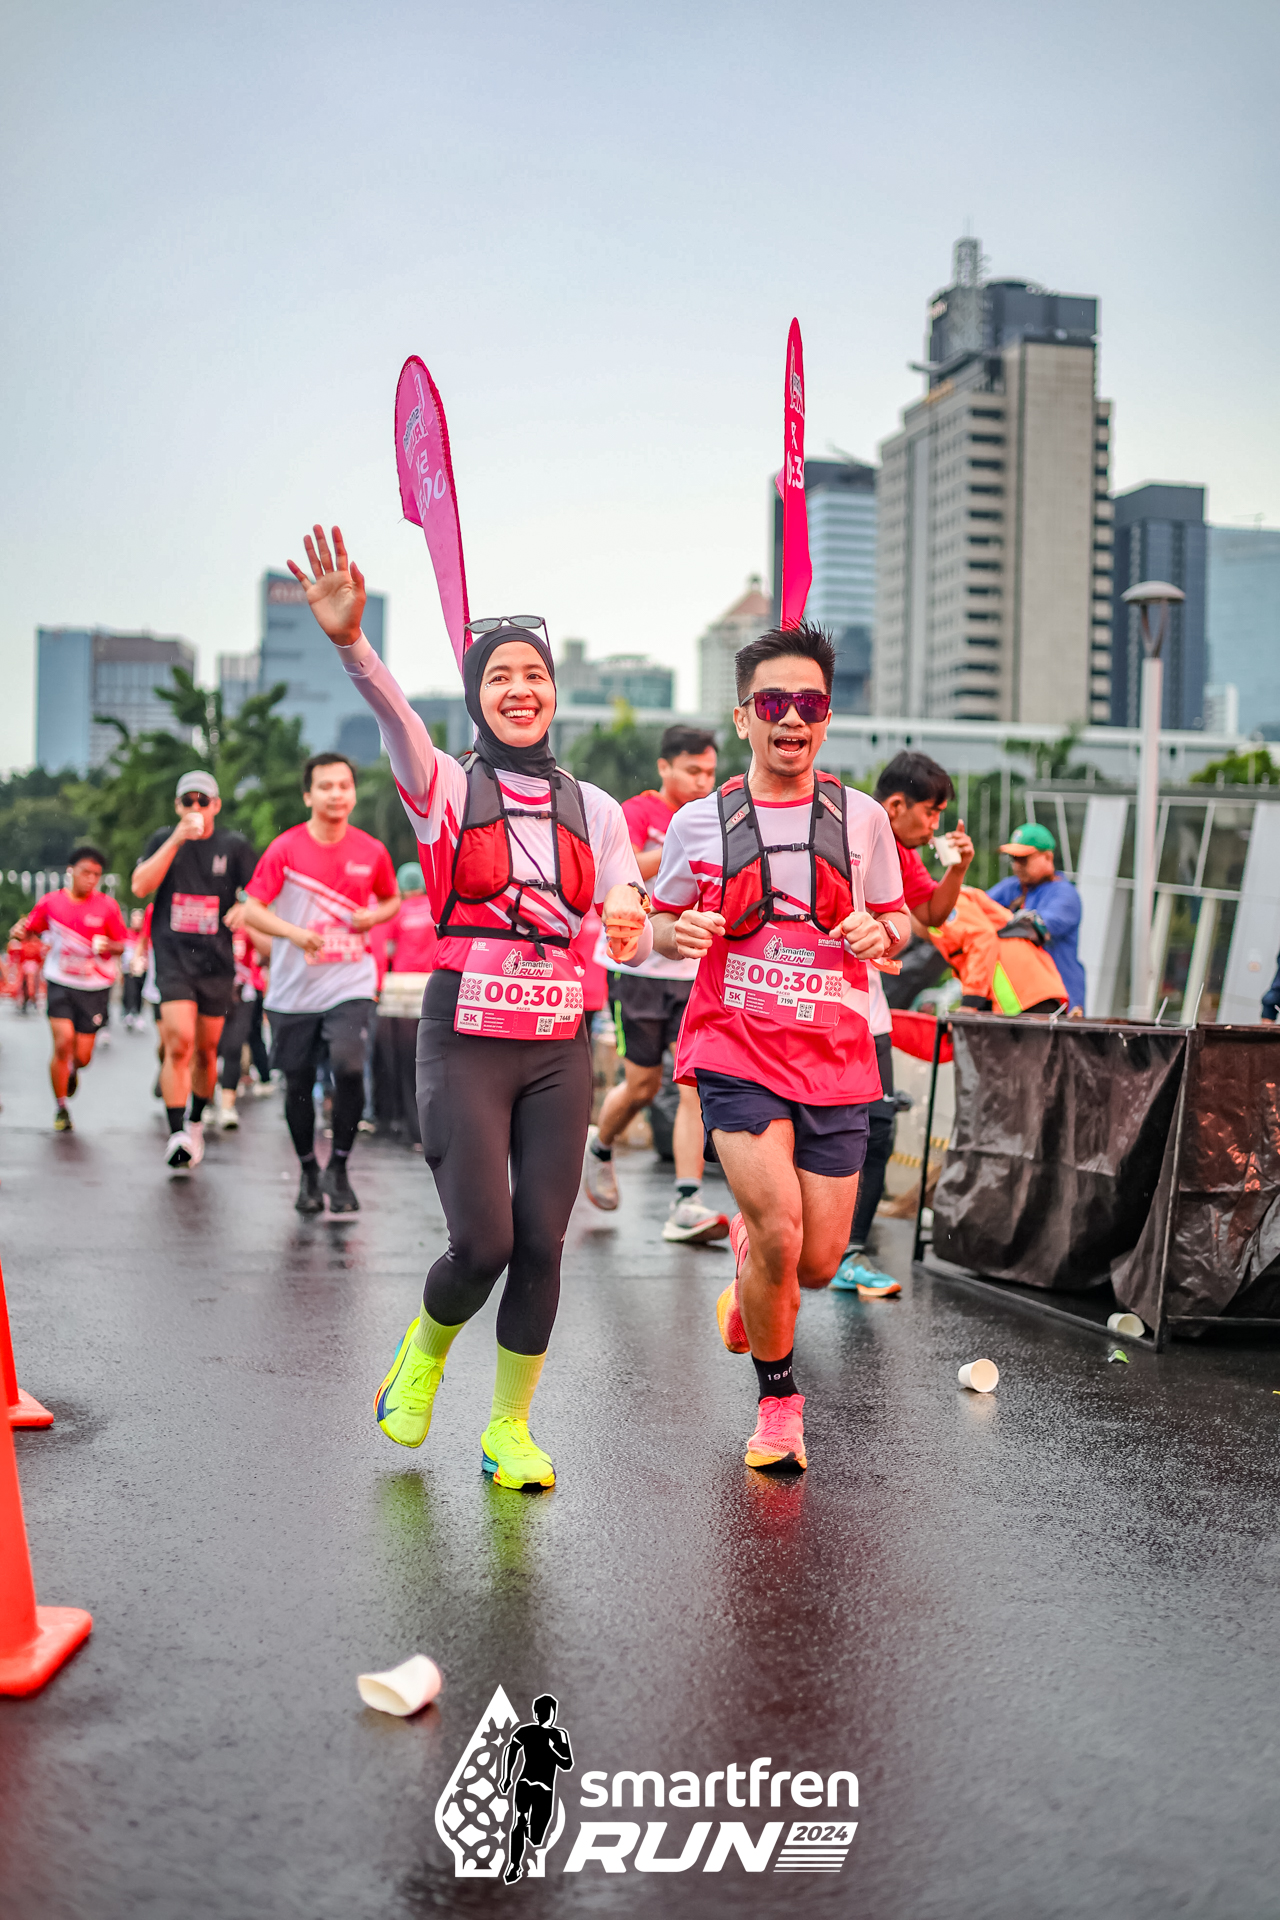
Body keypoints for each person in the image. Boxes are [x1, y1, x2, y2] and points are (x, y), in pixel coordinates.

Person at [287, 524, 650, 1490]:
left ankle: (508, 1430)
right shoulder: (443, 784)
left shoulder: (597, 808)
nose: (519, 689)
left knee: (542, 1242)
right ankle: (424, 1350)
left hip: (558, 1040)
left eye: (534, 675)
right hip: (465, 1035)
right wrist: (351, 643)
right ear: (478, 694)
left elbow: (631, 914)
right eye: (499, 677)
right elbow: (394, 714)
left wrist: (631, 920)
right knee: (483, 1242)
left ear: (554, 692)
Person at [649, 623, 908, 1473]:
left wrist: (881, 930)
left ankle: (748, 1274)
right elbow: (656, 923)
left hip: (837, 1055)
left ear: (826, 717)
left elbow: (900, 918)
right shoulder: (699, 822)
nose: (791, 717)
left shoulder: (862, 818)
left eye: (809, 703)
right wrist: (678, 930)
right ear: (743, 717)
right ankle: (778, 1405)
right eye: (773, 702)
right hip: (736, 1047)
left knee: (820, 1263)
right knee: (781, 1230)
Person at [832, 751, 975, 1297]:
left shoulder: (904, 855)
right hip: (809, 1011)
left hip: (868, 1013)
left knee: (879, 1128)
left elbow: (931, 915)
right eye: (930, 812)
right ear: (896, 805)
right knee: (799, 1128)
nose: (935, 825)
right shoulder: (837, 834)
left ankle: (849, 1252)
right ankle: (774, 1238)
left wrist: (956, 869)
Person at [582, 724, 729, 1244]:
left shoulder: (717, 817)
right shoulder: (638, 812)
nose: (703, 781)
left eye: (709, 772)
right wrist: (683, 848)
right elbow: (620, 868)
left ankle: (687, 1201)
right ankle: (600, 1144)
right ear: (665, 767)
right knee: (642, 1086)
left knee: (691, 1084)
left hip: (690, 971)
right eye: (692, 771)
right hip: (636, 969)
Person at [241, 753, 400, 1214]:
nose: (336, 795)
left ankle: (341, 1167)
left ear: (353, 793)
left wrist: (374, 915)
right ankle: (309, 1170)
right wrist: (294, 934)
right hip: (294, 990)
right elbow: (252, 909)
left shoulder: (371, 851)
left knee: (349, 1067)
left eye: (344, 786)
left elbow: (391, 899)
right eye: (326, 787)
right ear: (308, 795)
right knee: (297, 1083)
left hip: (350, 982)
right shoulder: (285, 850)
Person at [132, 772, 257, 1172]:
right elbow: (140, 887)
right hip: (173, 958)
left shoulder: (233, 846)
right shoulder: (163, 839)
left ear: (216, 805)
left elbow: (259, 892)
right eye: (188, 801)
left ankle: (196, 1122)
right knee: (179, 1043)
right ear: (177, 806)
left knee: (206, 1052)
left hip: (216, 963)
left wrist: (245, 908)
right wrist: (175, 839)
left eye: (204, 800)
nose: (196, 808)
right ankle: (176, 1133)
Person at [10, 846, 126, 1132]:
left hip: (95, 986)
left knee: (83, 1056)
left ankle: (73, 1069)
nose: (91, 879)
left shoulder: (107, 907)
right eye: (86, 872)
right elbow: (30, 929)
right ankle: (61, 1107)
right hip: (60, 982)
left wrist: (107, 946)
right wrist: (19, 931)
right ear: (71, 871)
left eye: (97, 874)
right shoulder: (51, 903)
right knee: (63, 1042)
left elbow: (122, 945)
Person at [987, 822, 1086, 1014]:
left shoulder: (1065, 894)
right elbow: (973, 910)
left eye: (1023, 859)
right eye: (1014, 859)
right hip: (1024, 1000)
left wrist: (995, 923)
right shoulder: (1012, 887)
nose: (1017, 865)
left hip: (1060, 1000)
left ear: (1048, 857)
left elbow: (1033, 928)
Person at [501, 1694, 573, 1885]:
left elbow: (567, 1764)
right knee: (519, 1820)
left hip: (544, 1789)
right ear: (536, 1713)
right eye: (542, 1711)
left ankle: (527, 1833)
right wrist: (507, 1776)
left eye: (548, 1712)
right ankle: (514, 1865)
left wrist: (551, 1750)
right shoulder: (526, 1731)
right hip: (526, 1783)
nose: (546, 1715)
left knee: (536, 1837)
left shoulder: (559, 1735)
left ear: (553, 1713)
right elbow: (511, 1750)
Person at [212, 911, 273, 1128]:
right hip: (212, 993)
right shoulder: (211, 918)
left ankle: (227, 1107)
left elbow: (268, 951)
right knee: (210, 1048)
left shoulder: (245, 921)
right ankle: (206, 1102)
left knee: (234, 1047)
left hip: (243, 994)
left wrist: (250, 922)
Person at [121, 908, 147, 1029]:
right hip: (128, 969)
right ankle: (128, 1012)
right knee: (129, 990)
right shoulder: (126, 934)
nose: (136, 920)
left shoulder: (144, 936)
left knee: (140, 992)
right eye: (134, 918)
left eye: (139, 918)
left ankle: (138, 1013)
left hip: (142, 970)